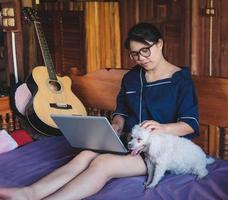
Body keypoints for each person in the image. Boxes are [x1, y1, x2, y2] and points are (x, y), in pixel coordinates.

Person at [0, 22, 199, 200]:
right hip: (129, 141)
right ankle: (29, 193)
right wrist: (117, 123)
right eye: (135, 54)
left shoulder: (180, 80)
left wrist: (161, 128)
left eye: (145, 51)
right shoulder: (131, 77)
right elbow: (122, 109)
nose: (141, 58)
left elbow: (189, 125)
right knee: (85, 155)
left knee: (103, 163)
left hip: (161, 150)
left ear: (160, 44)